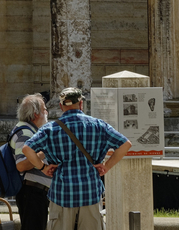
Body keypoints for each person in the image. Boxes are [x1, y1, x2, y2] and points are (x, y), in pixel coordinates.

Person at [21, 88, 131, 230]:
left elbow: (27, 149)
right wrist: (107, 166)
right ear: (81, 104)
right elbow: (125, 144)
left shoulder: (50, 129)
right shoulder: (98, 125)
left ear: (61, 106)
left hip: (62, 194)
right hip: (90, 193)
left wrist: (43, 167)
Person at [11, 95, 54, 230]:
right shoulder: (24, 132)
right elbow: (21, 165)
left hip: (36, 192)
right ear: (35, 114)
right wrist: (44, 152)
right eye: (44, 110)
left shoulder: (31, 131)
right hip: (32, 192)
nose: (47, 113)